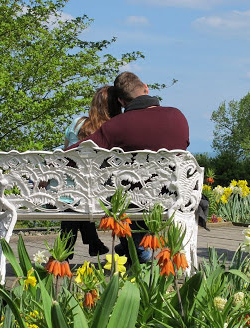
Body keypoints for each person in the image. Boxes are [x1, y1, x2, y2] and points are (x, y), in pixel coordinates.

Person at [67, 72, 190, 263]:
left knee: (124, 189)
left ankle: (136, 249)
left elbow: (75, 154)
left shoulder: (117, 125)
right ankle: (136, 249)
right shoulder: (178, 116)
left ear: (121, 102)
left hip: (136, 201)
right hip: (176, 197)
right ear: (146, 88)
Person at [61, 85, 122, 258]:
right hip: (105, 194)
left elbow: (65, 155)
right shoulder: (118, 128)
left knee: (76, 198)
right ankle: (94, 243)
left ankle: (67, 250)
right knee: (84, 197)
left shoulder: (78, 124)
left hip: (71, 193)